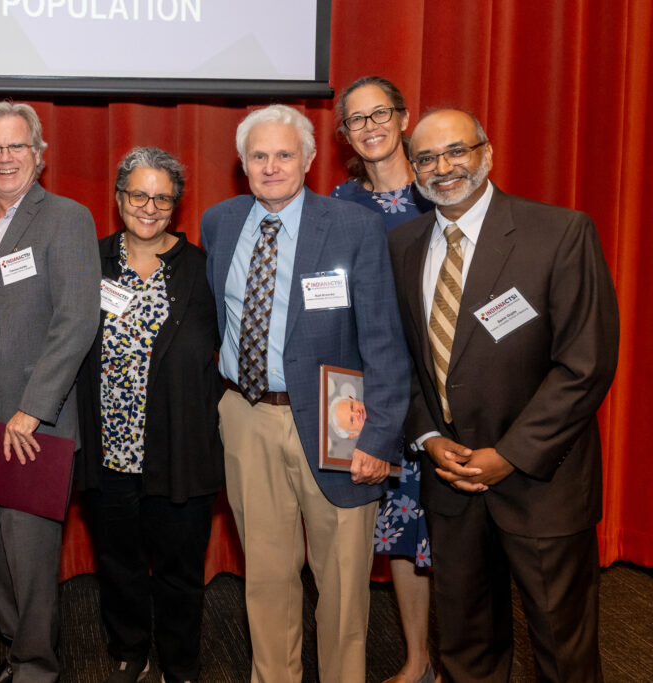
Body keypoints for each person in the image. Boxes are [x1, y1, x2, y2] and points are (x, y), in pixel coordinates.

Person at [388, 108, 619, 682]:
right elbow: (404, 360)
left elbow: (585, 364)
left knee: (563, 651)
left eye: (455, 152)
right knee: (467, 648)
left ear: (485, 154)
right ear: (412, 168)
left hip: (542, 482)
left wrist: (508, 455)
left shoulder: (559, 232)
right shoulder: (403, 245)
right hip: (450, 483)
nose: (442, 168)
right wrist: (429, 437)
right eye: (425, 158)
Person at [200, 104, 410, 683]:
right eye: (259, 156)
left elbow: (385, 342)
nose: (272, 167)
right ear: (242, 164)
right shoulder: (220, 222)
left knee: (342, 579)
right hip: (246, 416)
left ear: (310, 159)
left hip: (336, 422)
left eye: (284, 154)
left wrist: (380, 437)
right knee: (266, 576)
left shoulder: (353, 226)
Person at [0, 101, 101, 683]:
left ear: (39, 154)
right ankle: (17, 652)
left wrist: (33, 409)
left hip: (32, 418)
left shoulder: (65, 218)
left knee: (30, 553)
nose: (6, 157)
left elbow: (77, 320)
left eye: (18, 146)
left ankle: (38, 668)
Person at [77, 147, 223, 683]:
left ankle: (180, 662)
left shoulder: (203, 270)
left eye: (162, 197)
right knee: (119, 564)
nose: (149, 206)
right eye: (139, 194)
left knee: (181, 569)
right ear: (119, 198)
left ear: (175, 206)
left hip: (180, 448)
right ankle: (129, 649)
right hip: (109, 450)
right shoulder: (88, 261)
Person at [331, 76, 436, 683]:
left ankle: (465, 658)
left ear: (402, 118)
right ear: (344, 132)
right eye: (356, 120)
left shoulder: (443, 192)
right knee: (401, 527)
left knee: (455, 529)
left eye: (380, 114)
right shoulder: (338, 207)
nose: (370, 127)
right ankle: (418, 660)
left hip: (449, 387)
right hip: (380, 394)